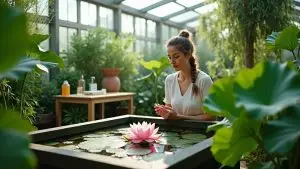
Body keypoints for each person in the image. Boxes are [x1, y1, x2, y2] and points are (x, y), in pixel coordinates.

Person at [154, 29, 214, 121]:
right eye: (169, 57)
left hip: (200, 133)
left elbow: (211, 117)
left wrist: (179, 117)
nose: (172, 61)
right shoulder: (170, 80)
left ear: (188, 55)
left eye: (176, 56)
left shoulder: (204, 80)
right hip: (175, 132)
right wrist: (164, 112)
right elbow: (170, 113)